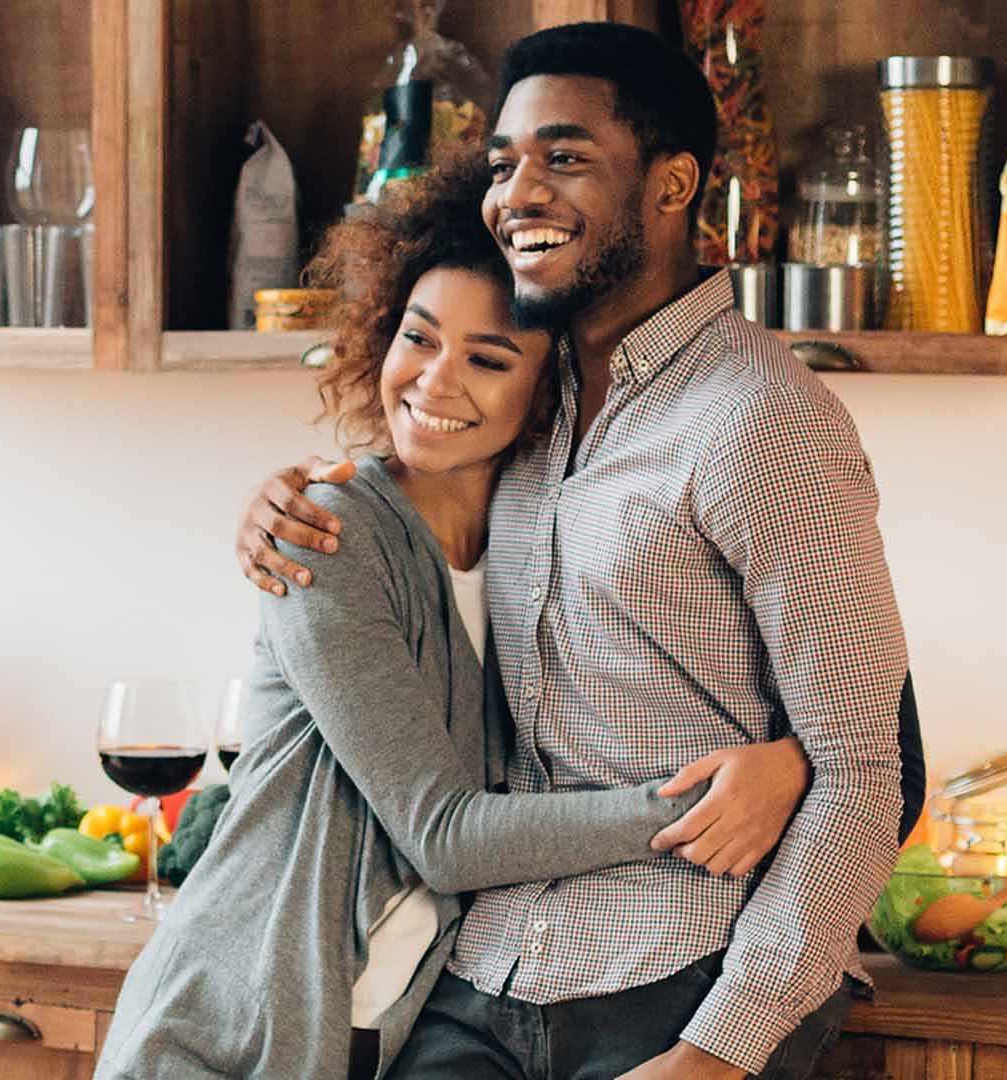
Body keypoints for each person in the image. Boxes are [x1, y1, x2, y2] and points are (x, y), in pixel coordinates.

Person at [235, 22, 916, 1080]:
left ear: (672, 183)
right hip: (482, 976)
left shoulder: (762, 421)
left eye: (564, 157)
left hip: (680, 979)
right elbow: (408, 475)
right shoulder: (524, 401)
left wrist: (719, 1051)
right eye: (503, 164)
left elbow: (867, 769)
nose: (518, 194)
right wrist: (286, 499)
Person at [95, 151, 812, 1080]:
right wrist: (708, 806)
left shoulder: (542, 536)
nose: (435, 382)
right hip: (228, 1033)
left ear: (548, 387)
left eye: (488, 358)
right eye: (419, 338)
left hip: (378, 1036)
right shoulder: (328, 532)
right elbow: (443, 836)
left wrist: (794, 762)